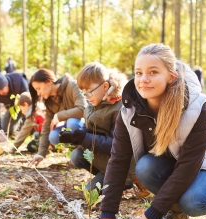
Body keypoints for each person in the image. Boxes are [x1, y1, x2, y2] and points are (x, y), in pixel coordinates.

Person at [97, 43, 206, 219]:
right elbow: (118, 161)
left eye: (153, 72)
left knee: (194, 202)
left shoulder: (197, 107)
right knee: (145, 167)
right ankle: (176, 213)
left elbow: (187, 167)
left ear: (171, 76)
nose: (143, 79)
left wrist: (154, 211)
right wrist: (107, 214)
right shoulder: (129, 111)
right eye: (139, 72)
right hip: (176, 160)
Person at [58, 62, 150, 197]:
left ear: (105, 86)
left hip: (122, 162)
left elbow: (116, 145)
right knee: (77, 156)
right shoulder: (94, 101)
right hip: (106, 158)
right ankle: (111, 178)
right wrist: (74, 137)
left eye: (89, 92)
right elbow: (89, 127)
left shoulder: (120, 108)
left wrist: (84, 138)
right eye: (83, 93)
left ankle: (127, 179)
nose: (86, 97)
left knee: (89, 193)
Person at [29, 68, 87, 166]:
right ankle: (74, 153)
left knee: (72, 122)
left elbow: (83, 109)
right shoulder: (49, 101)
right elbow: (46, 126)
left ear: (48, 81)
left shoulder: (72, 85)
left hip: (85, 126)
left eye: (38, 88)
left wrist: (58, 116)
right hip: (70, 128)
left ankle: (83, 151)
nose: (38, 93)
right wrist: (41, 153)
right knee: (53, 136)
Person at [0, 71, 28, 139]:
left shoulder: (20, 82)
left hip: (27, 107)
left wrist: (26, 122)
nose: (1, 93)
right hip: (13, 109)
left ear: (7, 84)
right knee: (6, 130)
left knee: (30, 127)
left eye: (2, 89)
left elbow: (29, 102)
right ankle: (18, 125)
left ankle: (24, 124)